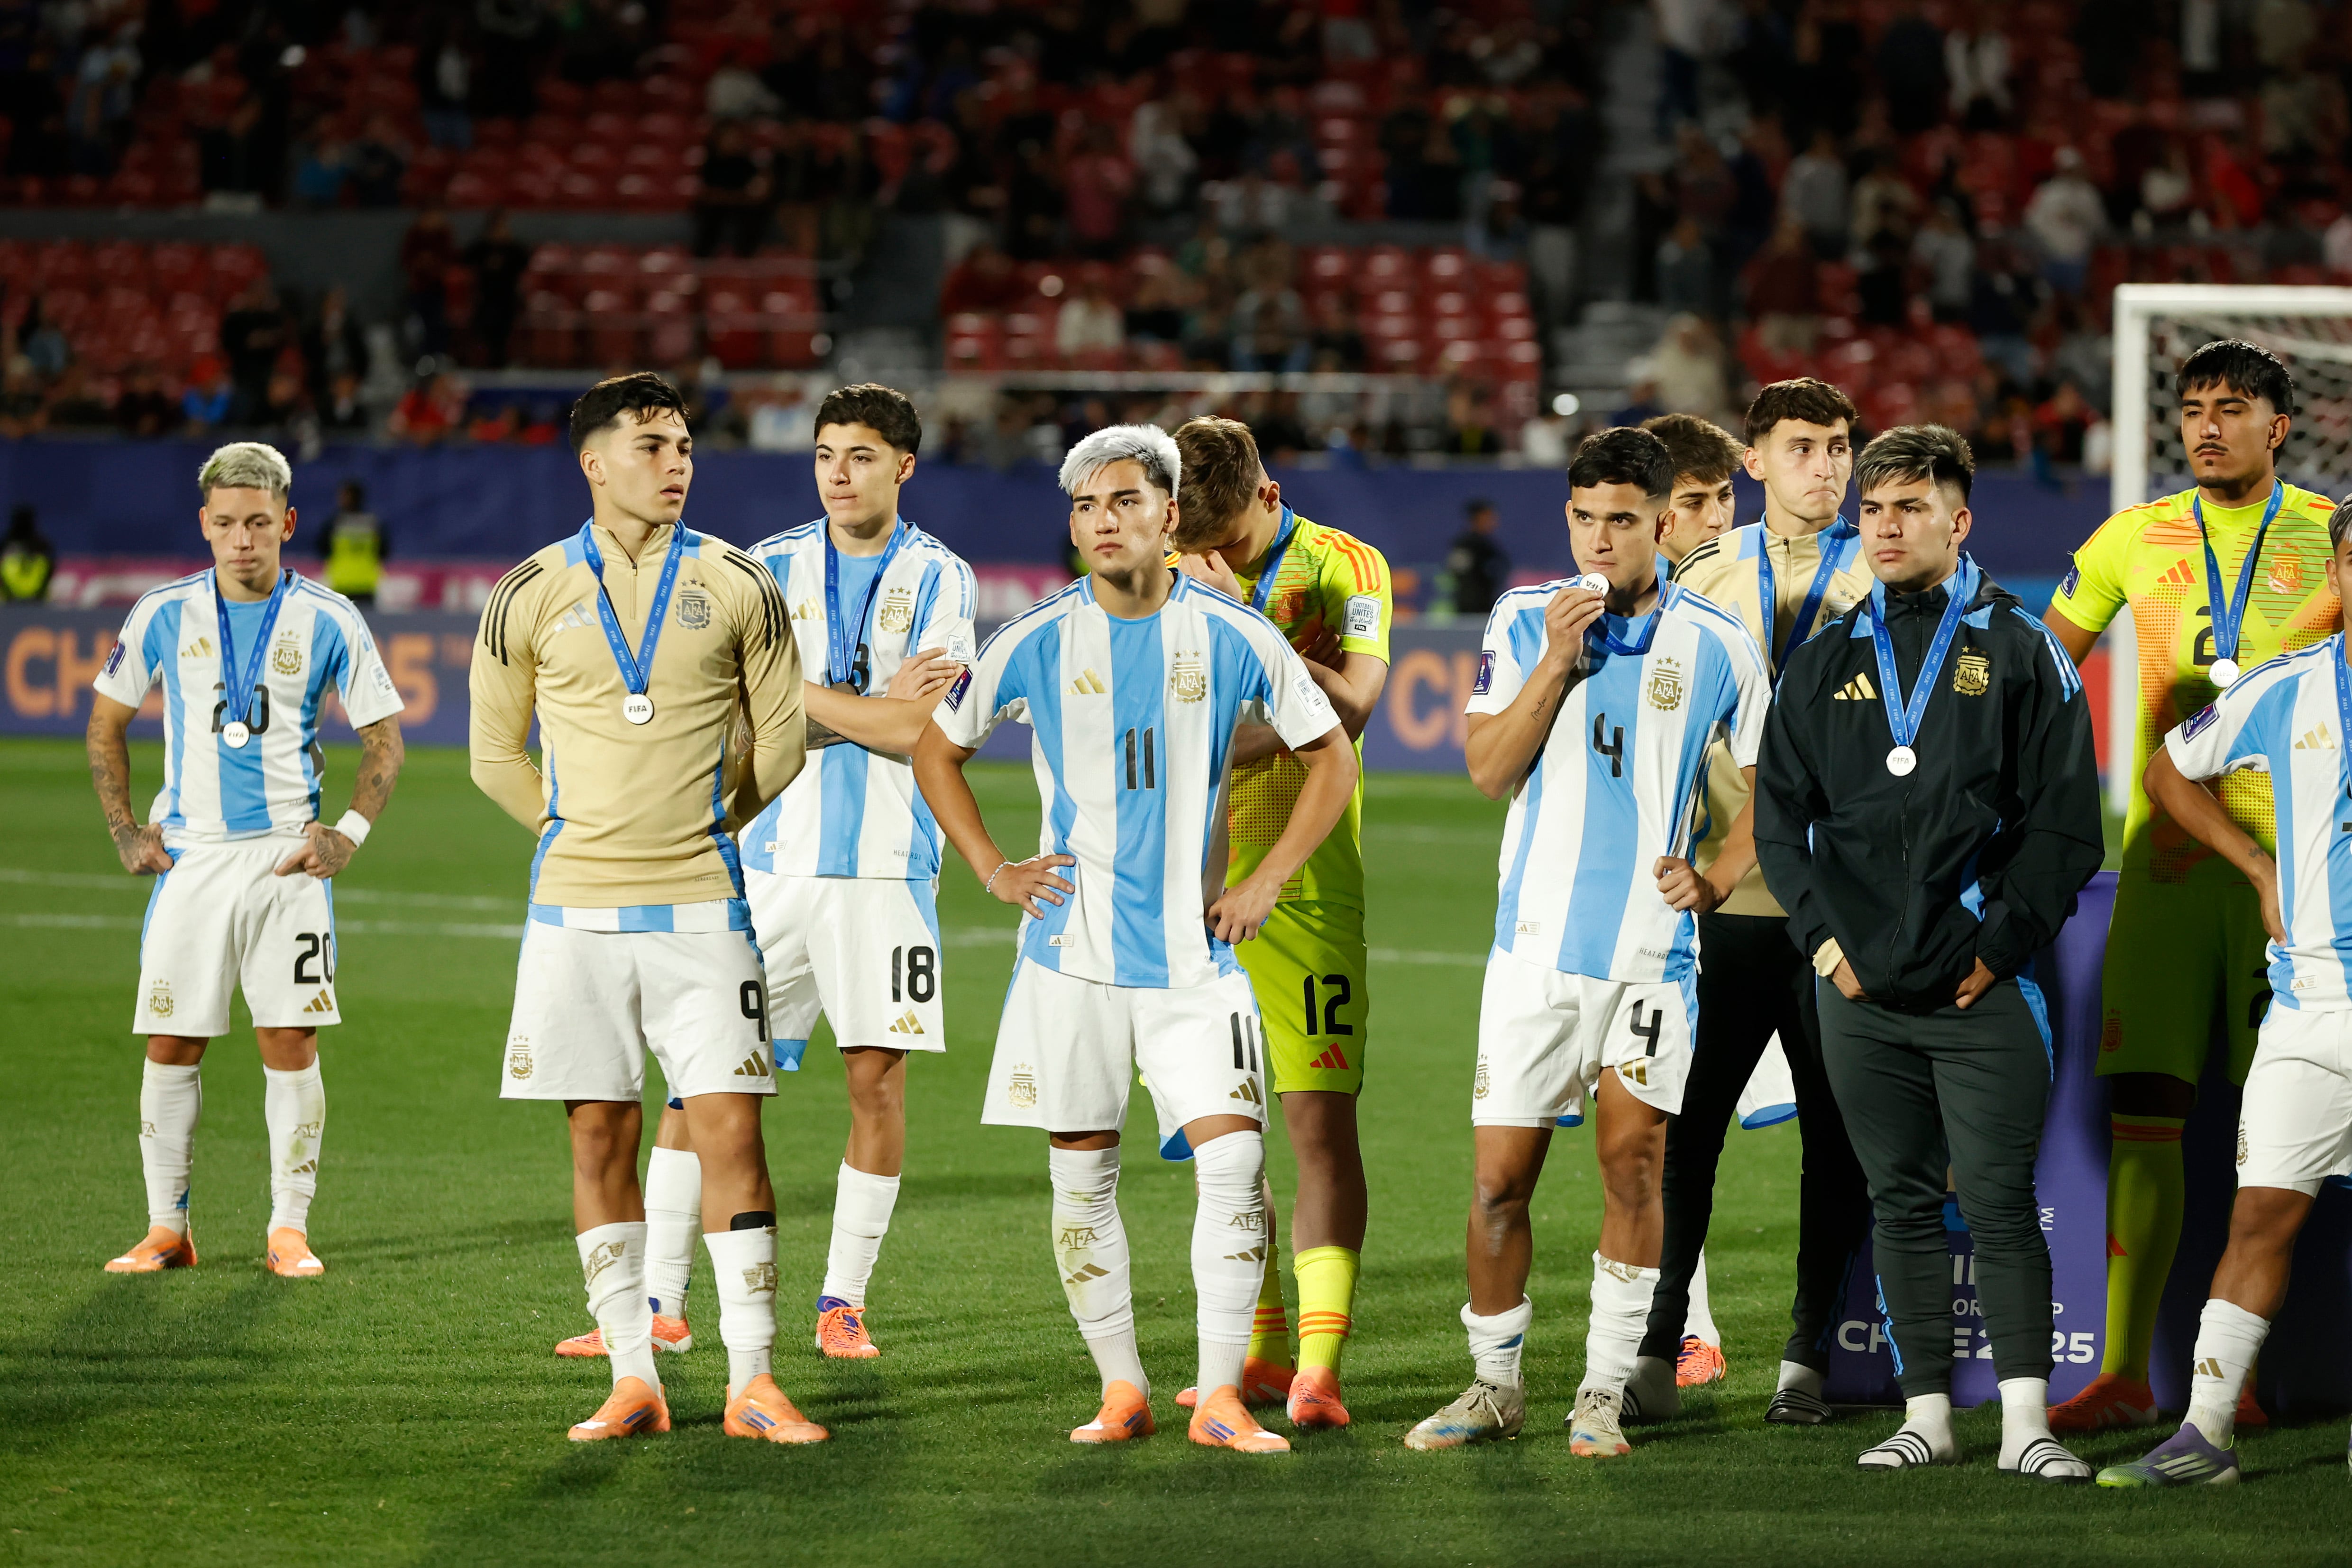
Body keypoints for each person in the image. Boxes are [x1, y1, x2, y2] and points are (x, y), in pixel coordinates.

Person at [913, 424, 1358, 1454]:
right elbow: (938, 753)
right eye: (1085, 507)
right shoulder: (1032, 638)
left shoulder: (1235, 635)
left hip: (1194, 963)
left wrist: (1267, 878)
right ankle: (1121, 1387)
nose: (1103, 522)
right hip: (1068, 961)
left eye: (1123, 501)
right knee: (1082, 1178)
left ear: (1170, 515)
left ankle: (1218, 1397)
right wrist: (992, 867)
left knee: (1234, 1164)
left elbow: (1329, 755)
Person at [553, 385, 974, 1365]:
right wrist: (860, 708)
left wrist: (798, 700)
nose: (839, 473)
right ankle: (658, 1303)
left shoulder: (942, 578)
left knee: (875, 1085)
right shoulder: (763, 567)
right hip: (763, 866)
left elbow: (920, 730)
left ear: (903, 466)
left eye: (860, 456)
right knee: (698, 1082)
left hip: (887, 868)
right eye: (825, 454)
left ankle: (842, 1302)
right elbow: (729, 715)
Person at [1404, 427, 1770, 1458]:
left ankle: (1601, 1394)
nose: (1598, 540)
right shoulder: (1525, 619)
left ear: (1663, 521)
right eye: (1581, 519)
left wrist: (1716, 877)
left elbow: (1773, 782)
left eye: (1620, 520)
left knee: (1633, 1172)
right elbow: (1487, 769)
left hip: (1652, 958)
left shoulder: (1717, 643)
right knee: (1496, 1183)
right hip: (1532, 953)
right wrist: (1557, 665)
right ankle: (1492, 1387)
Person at [469, 372, 817, 1445]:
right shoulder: (527, 590)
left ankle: (754, 1380)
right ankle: (632, 1376)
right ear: (595, 462)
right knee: (597, 1135)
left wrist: (705, 823)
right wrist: (573, 833)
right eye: (653, 446)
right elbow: (493, 754)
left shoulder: (739, 581)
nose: (676, 464)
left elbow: (783, 741)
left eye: (684, 447)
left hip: (703, 907)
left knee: (731, 1130)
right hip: (571, 915)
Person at [1755, 423, 2104, 1478]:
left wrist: (1998, 949)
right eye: (1871, 509)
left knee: (1997, 1203)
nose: (1884, 526)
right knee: (1899, 1203)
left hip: (1978, 990)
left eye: (1909, 507)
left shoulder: (2022, 648)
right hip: (1856, 993)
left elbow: (2065, 827)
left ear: (1958, 522)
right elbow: (1779, 825)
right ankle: (1925, 1418)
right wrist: (1825, 948)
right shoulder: (1823, 659)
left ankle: (2027, 1426)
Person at [2041, 340, 2342, 1434]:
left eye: (2231, 407)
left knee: (2279, 1137)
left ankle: (2239, 1382)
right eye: (2193, 408)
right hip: (2165, 865)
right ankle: (2124, 1370)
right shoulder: (2133, 535)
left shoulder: (2326, 533)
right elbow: (2043, 669)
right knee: (2143, 1112)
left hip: (2298, 883)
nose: (2206, 426)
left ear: (2277, 426)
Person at [87, 441, 407, 1280]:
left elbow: (384, 739)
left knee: (290, 1040)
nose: (242, 539)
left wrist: (347, 832)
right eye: (226, 523)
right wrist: (125, 830)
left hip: (285, 860)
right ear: (205, 523)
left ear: (287, 522)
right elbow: (106, 721)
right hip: (191, 859)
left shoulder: (331, 617)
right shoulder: (162, 611)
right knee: (171, 1042)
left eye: (259, 523)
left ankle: (288, 1228)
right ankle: (167, 1228)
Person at [2099, 495, 2352, 1486]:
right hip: (2307, 1009)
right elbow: (2168, 771)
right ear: (2334, 575)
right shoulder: (2287, 687)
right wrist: (2254, 867)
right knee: (2258, 1220)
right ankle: (2203, 1437)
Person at [1647, 379, 1877, 1422]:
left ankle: (1807, 1360)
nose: (1824, 466)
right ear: (1755, 462)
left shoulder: (1882, 570)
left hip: (1838, 910)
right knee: (1683, 1136)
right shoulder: (1703, 574)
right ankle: (1656, 1347)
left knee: (1834, 1142)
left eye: (1837, 446)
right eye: (1800, 447)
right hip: (1722, 906)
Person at [1167, 416, 1394, 1429]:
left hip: (1304, 889)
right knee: (1224, 1143)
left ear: (1267, 496)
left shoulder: (1344, 566)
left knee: (1316, 1128)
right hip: (1184, 893)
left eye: (1226, 542)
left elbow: (1353, 707)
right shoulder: (1162, 562)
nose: (1207, 558)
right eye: (1193, 543)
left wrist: (1243, 624)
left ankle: (1319, 1367)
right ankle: (1257, 1350)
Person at [1643, 413, 1743, 569]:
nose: (1718, 521)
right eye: (1694, 504)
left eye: (1724, 496)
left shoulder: (1755, 575)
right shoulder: (1618, 583)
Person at [320, 481, 386, 607]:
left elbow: (323, 549)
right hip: (366, 583)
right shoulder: (373, 524)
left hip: (341, 582)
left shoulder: (335, 524)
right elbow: (384, 551)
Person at [1446, 499, 1509, 616]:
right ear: (1478, 518)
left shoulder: (1489, 547)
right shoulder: (1465, 545)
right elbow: (1461, 576)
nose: (1493, 521)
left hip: (1486, 607)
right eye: (1488, 517)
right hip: (1469, 611)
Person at [1, 503, 55, 601]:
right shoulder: (43, 545)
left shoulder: (42, 546)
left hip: (36, 601)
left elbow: (49, 570)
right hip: (11, 600)